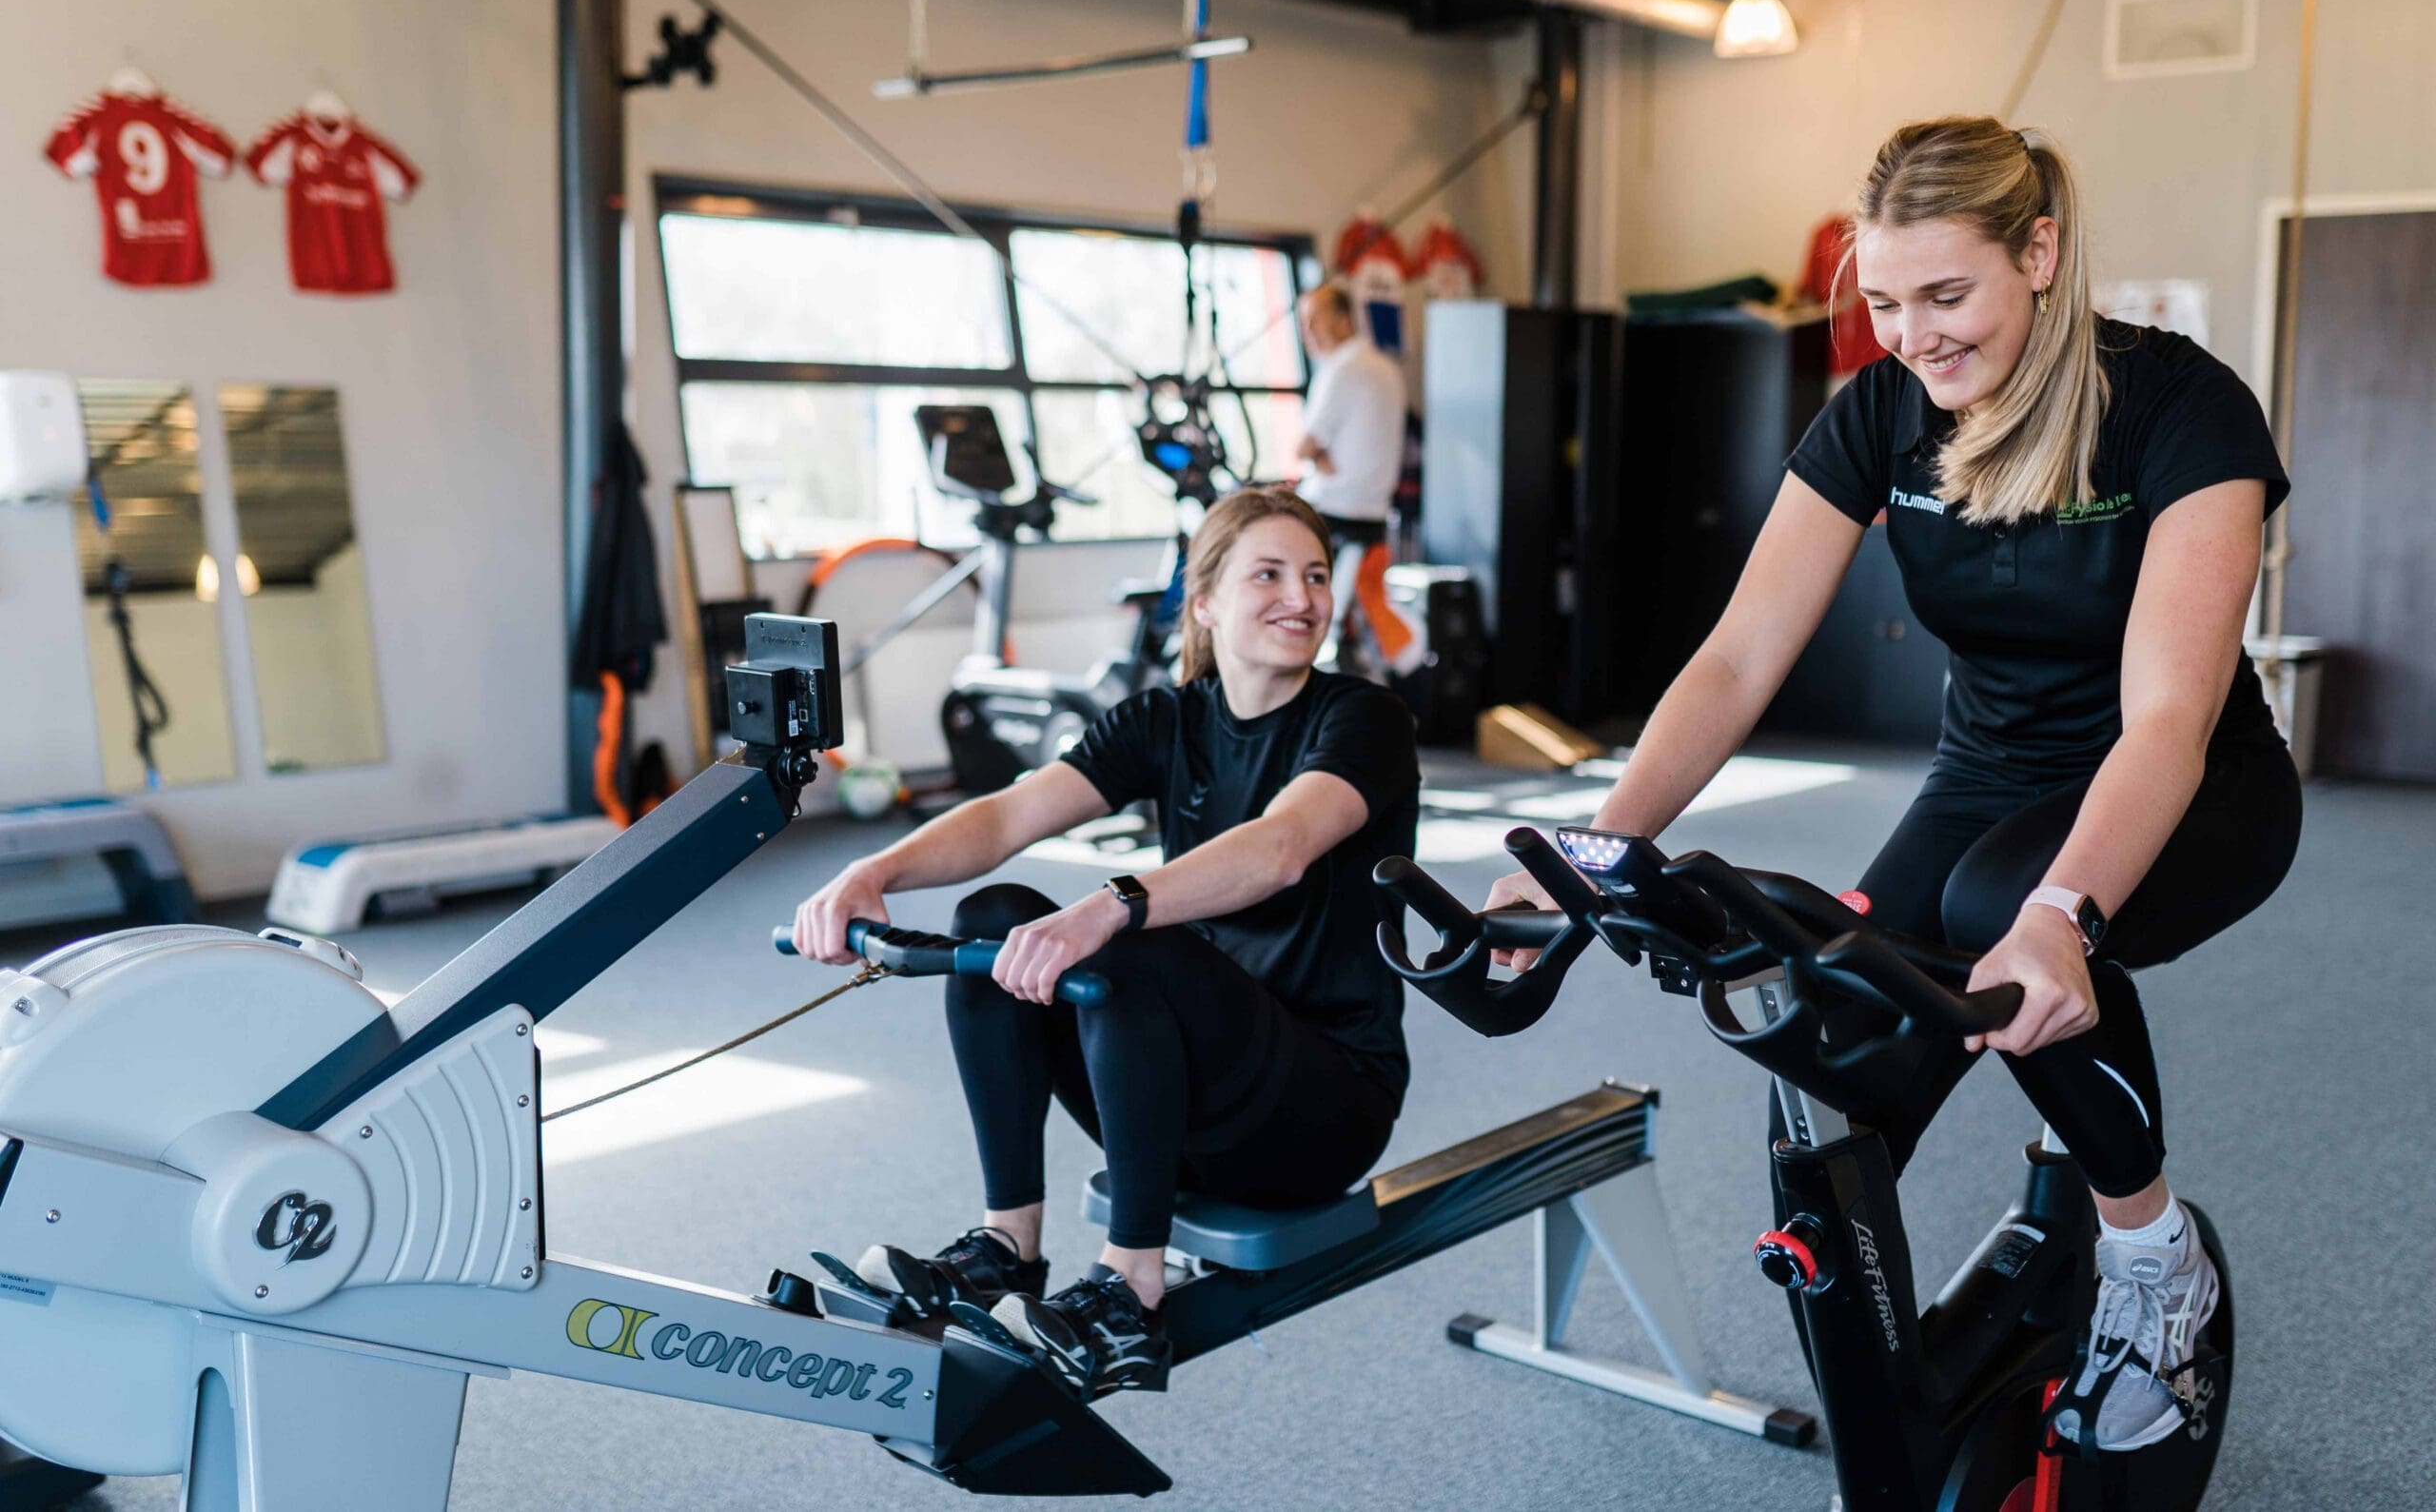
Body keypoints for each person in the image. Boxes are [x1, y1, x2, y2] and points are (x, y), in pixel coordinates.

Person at [1485, 116, 2299, 1454]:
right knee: (1835, 1053)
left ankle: (2156, 1259)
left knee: (2001, 910)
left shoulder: (2179, 407)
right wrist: (1593, 850)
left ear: (2039, 254)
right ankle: (1894, 1410)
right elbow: (1741, 654)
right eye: (1881, 298)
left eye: (1944, 294)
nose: (1912, 333)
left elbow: (2167, 712)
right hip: (1988, 777)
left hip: (2197, 783)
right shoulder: (1879, 410)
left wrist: (2061, 909)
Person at [792, 486, 1420, 1398]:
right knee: (991, 917)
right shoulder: (1167, 719)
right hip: (1175, 1093)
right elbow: (1012, 812)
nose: (1304, 596)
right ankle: (1009, 1245)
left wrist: (1113, 902)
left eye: (1317, 575)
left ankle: (1133, 1284)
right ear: (1203, 602)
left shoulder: (1361, 719)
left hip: (1320, 1107)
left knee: (1127, 942)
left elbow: (1281, 850)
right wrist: (874, 873)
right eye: (1270, 574)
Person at [1292, 283, 1407, 669]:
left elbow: (1304, 448)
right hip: (1373, 513)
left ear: (1343, 319)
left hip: (1335, 511)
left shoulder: (1342, 368)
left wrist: (1318, 455)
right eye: (1303, 323)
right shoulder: (1386, 367)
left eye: (1315, 320)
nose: (1308, 332)